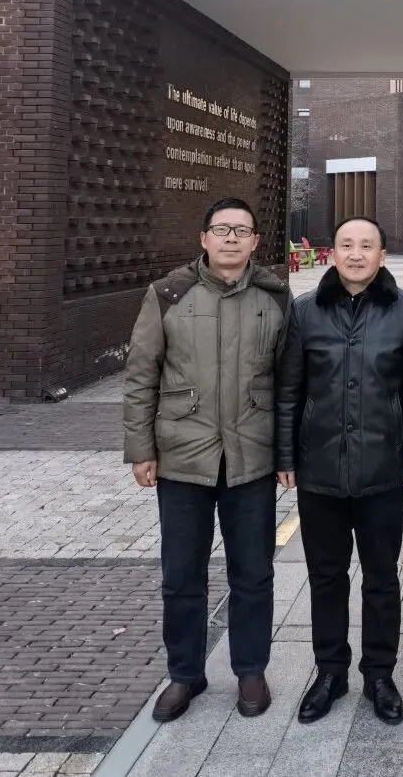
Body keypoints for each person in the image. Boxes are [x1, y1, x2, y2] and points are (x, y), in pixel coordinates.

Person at [123, 197, 290, 722]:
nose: (231, 238)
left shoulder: (275, 297)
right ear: (203, 238)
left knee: (253, 572)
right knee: (181, 574)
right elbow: (141, 375)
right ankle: (184, 674)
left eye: (242, 231)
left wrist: (288, 453)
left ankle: (251, 670)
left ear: (256, 241)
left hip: (252, 456)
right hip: (182, 457)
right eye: (222, 229)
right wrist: (141, 449)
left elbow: (290, 382)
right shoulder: (168, 294)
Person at [275, 217, 403, 726]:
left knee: (381, 578)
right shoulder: (305, 310)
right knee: (326, 577)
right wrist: (285, 456)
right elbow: (289, 391)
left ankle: (380, 674)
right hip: (318, 468)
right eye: (347, 245)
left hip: (382, 467)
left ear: (381, 255)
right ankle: (330, 672)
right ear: (334, 253)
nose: (356, 254)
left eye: (367, 246)